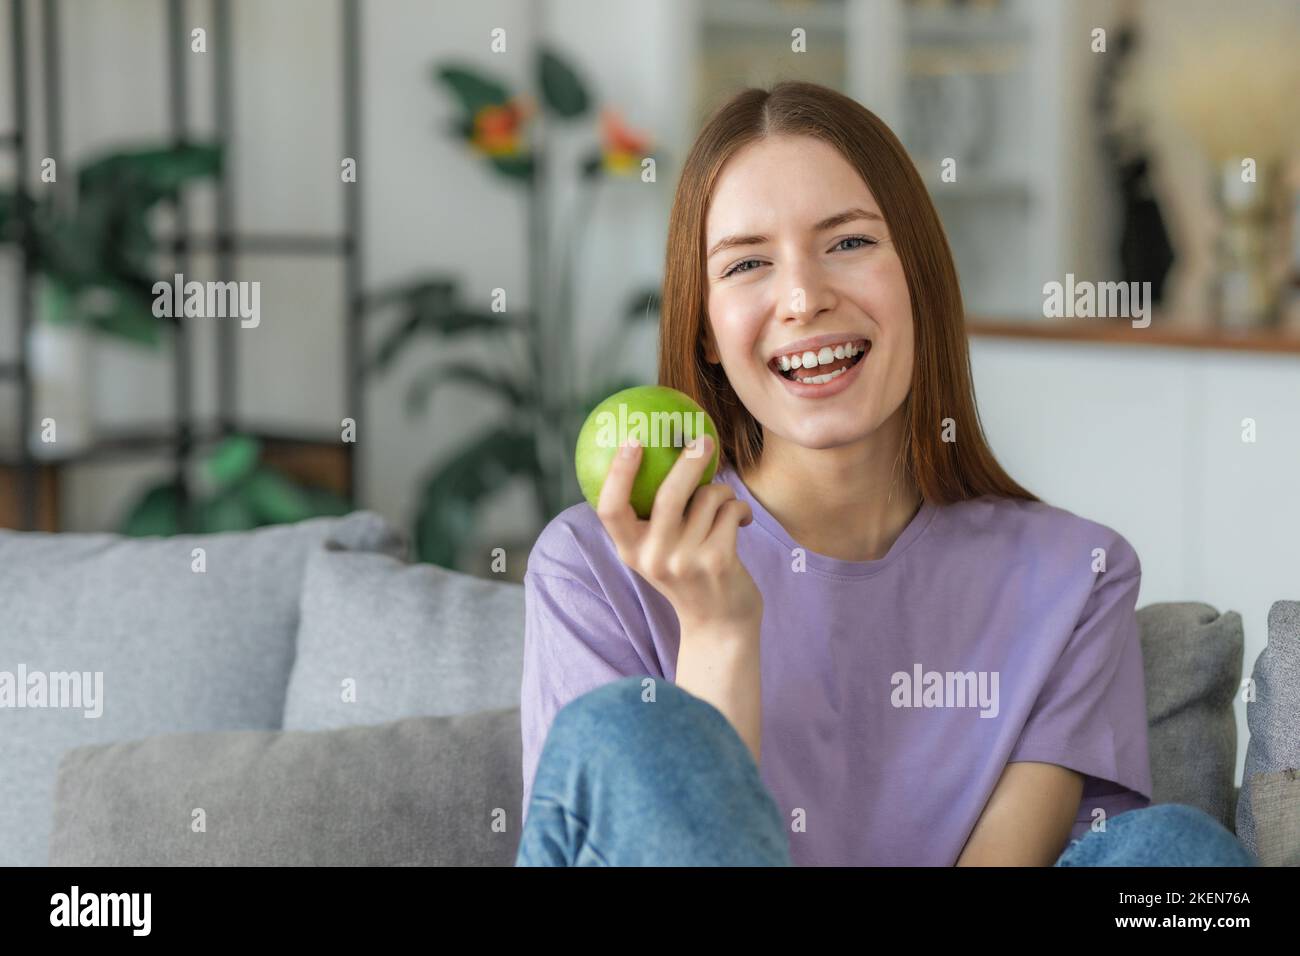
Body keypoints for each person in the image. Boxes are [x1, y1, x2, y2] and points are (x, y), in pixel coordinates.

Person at [515, 81, 1258, 867]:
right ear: (704, 329)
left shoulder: (1076, 577)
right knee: (625, 730)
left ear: (920, 281)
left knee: (1173, 857)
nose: (803, 297)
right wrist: (717, 632)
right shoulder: (592, 570)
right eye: (748, 264)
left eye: (848, 243)